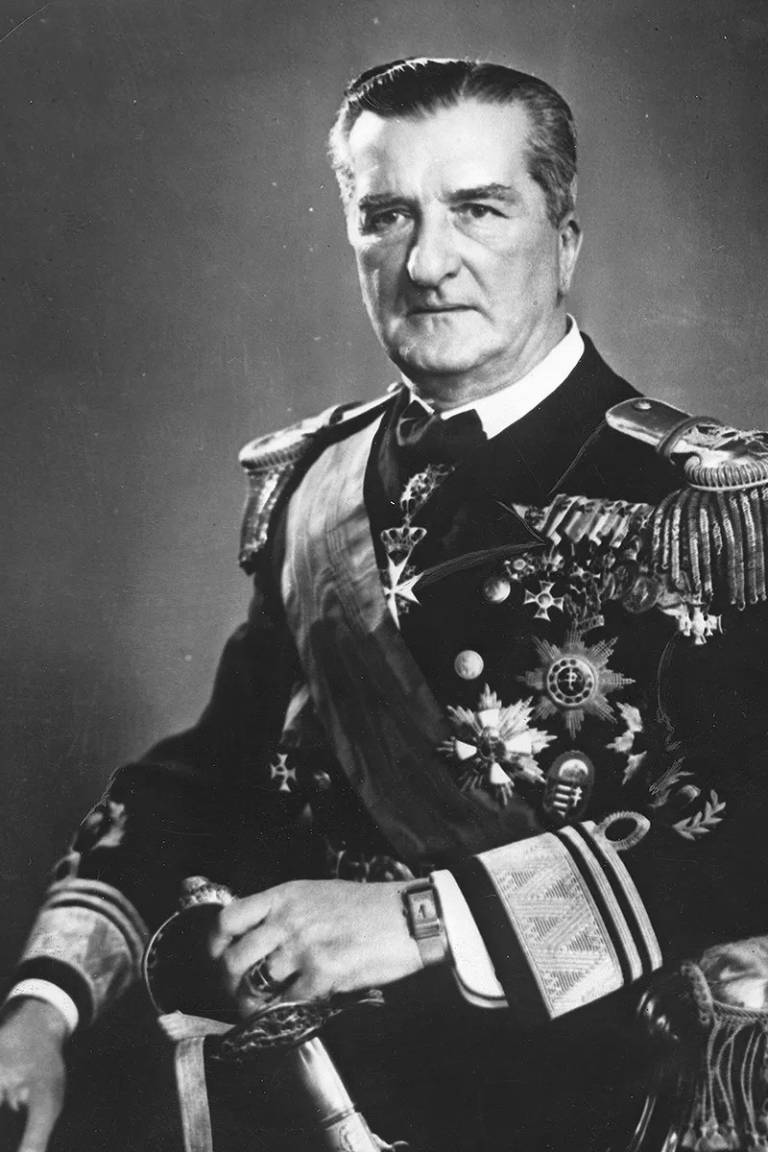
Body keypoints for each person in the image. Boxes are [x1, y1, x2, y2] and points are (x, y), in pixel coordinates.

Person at [3, 55, 768, 1152]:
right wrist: (45, 1006)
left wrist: (426, 921)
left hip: (602, 1105)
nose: (427, 261)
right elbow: (213, 772)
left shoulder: (708, 507)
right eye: (387, 215)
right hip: (324, 1105)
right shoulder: (317, 485)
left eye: (478, 209)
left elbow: (748, 831)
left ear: (565, 240)